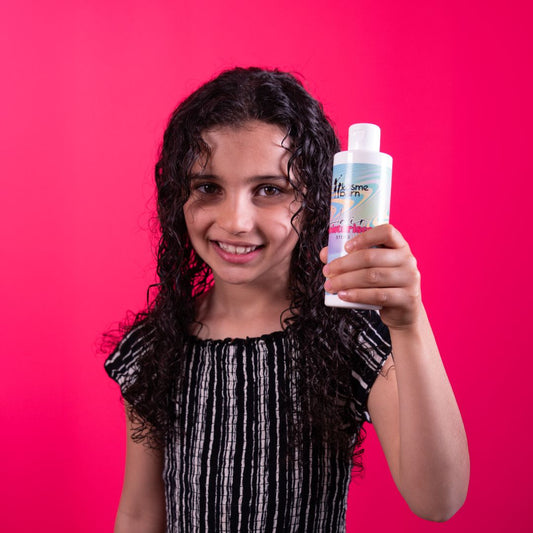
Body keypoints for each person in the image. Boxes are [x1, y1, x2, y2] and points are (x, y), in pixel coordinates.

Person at [104, 67, 469, 533]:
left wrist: (409, 322)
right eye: (208, 188)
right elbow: (139, 512)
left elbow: (439, 498)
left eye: (270, 190)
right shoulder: (158, 345)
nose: (236, 221)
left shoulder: (346, 337)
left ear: (316, 200)